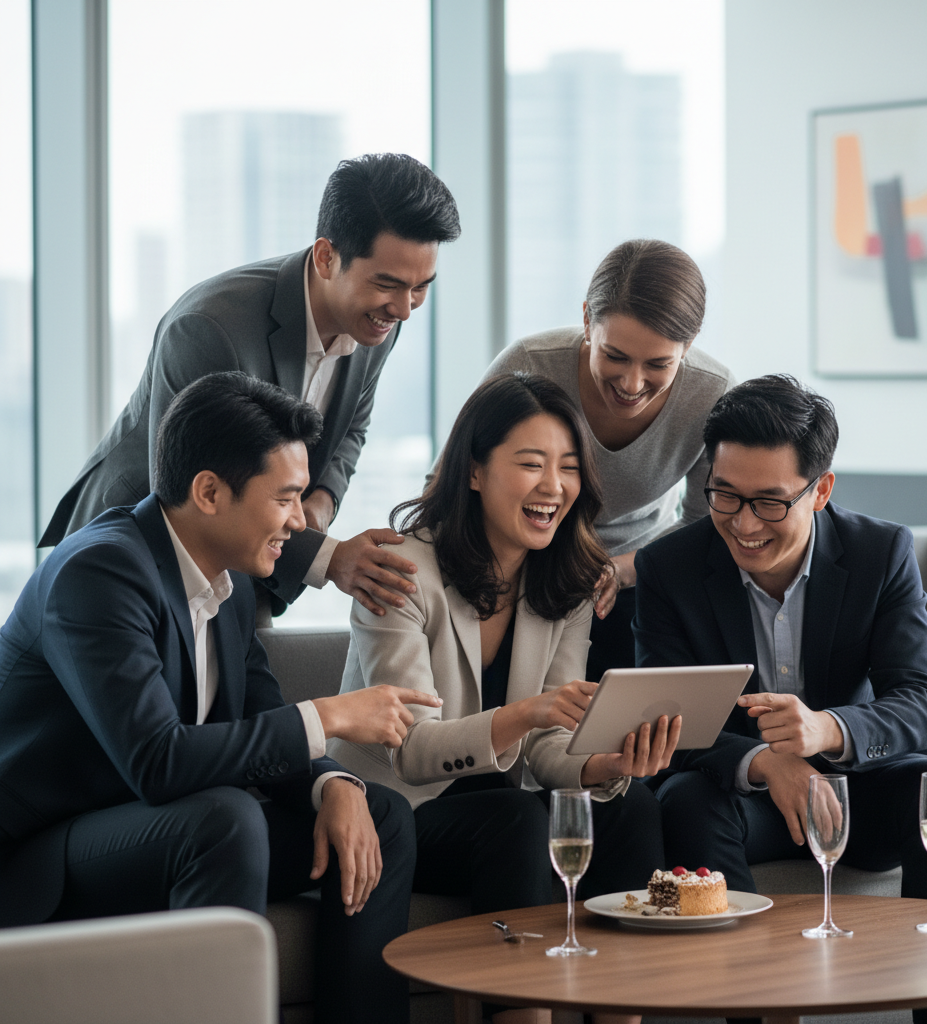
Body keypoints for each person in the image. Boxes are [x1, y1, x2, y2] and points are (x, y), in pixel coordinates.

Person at [0, 371, 445, 1024]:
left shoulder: (227, 581)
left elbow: (263, 721)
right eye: (287, 497)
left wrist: (332, 786)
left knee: (376, 814)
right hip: (43, 854)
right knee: (224, 818)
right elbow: (157, 761)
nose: (301, 521)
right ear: (209, 491)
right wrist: (332, 715)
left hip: (162, 829)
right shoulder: (98, 572)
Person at [634, 375, 927, 1022]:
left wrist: (825, 730)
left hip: (855, 792)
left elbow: (923, 700)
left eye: (769, 503)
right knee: (684, 799)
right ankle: (753, 1005)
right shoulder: (670, 568)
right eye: (725, 496)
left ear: (820, 490)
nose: (742, 524)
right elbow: (668, 722)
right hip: (746, 803)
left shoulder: (881, 553)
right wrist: (766, 763)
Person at [332, 372, 678, 1024]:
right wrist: (526, 714)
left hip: (501, 804)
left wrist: (602, 768)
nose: (554, 486)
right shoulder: (400, 571)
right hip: (404, 811)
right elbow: (407, 749)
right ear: (473, 472)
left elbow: (548, 749)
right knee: (517, 821)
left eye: (569, 467)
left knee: (631, 809)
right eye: (531, 464)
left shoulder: (566, 581)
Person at [39, 153, 461, 620]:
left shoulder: (377, 322)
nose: (404, 309)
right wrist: (329, 557)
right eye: (389, 284)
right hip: (132, 564)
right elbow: (194, 504)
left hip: (251, 561)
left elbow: (350, 429)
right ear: (326, 257)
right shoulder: (209, 329)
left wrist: (319, 504)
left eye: (422, 287)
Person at [478, 239, 734, 679]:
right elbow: (455, 477)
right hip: (518, 567)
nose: (632, 384)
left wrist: (626, 568)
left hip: (636, 572)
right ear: (587, 322)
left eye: (658, 364)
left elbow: (706, 523)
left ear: (688, 345)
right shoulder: (529, 365)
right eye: (614, 356)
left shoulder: (713, 394)